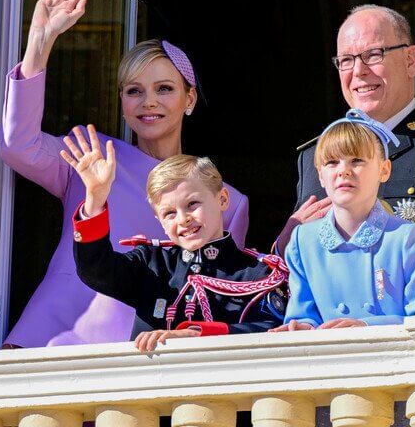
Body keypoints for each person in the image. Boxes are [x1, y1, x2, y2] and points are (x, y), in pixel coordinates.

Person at [0, 0, 249, 348]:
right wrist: (40, 41)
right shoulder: (93, 154)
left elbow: (224, 293)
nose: (148, 101)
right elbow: (18, 145)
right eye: (135, 91)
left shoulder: (225, 197)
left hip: (145, 360)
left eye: (164, 89)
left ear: (190, 99)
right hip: (54, 343)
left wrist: (285, 245)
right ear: (123, 103)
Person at [63, 146, 285, 352]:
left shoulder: (257, 273)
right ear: (159, 220)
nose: (183, 219)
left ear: (223, 199)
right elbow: (96, 271)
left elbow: (273, 330)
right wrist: (95, 199)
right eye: (169, 213)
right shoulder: (152, 264)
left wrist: (199, 334)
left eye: (192, 204)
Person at [277, 4, 415, 255]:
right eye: (346, 60)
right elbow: (293, 261)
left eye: (374, 54)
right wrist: (285, 242)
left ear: (410, 61)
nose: (358, 71)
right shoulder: (316, 154)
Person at [270, 109, 415, 332]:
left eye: (356, 160)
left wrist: (366, 325)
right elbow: (303, 313)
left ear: (384, 170)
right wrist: (299, 327)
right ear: (320, 174)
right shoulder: (303, 241)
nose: (344, 171)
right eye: (331, 162)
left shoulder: (407, 238)